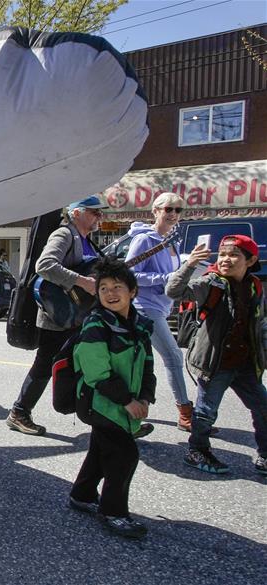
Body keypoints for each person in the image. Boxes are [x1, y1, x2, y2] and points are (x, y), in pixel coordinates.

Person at [6, 195, 113, 436]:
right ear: (76, 213)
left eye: (100, 213)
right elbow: (44, 265)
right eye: (94, 212)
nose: (99, 216)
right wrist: (82, 281)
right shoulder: (65, 234)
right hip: (58, 315)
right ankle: (19, 412)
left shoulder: (87, 240)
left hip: (78, 314)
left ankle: (107, 415)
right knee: (45, 364)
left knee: (90, 361)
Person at [68, 257, 155, 539]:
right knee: (124, 455)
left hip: (123, 404)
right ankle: (114, 512)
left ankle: (82, 494)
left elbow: (148, 365)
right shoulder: (95, 324)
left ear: (133, 291)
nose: (110, 293)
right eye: (103, 288)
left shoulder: (140, 325)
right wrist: (127, 401)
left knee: (100, 452)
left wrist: (144, 397)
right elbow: (96, 373)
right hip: (101, 403)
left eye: (117, 286)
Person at [166, 235, 267, 476]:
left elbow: (260, 322)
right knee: (205, 411)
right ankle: (197, 450)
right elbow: (173, 291)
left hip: (245, 364)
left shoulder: (254, 285)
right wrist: (189, 264)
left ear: (251, 260)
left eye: (233, 255)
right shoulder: (212, 282)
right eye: (222, 254)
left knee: (263, 408)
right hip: (215, 362)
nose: (225, 260)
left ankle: (265, 453)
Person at [125, 192, 194, 431]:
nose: (173, 214)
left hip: (162, 307)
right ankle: (185, 413)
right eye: (168, 209)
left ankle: (131, 410)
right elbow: (130, 273)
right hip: (145, 308)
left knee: (139, 361)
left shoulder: (172, 240)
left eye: (178, 210)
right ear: (155, 211)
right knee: (174, 357)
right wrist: (165, 278)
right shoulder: (145, 240)